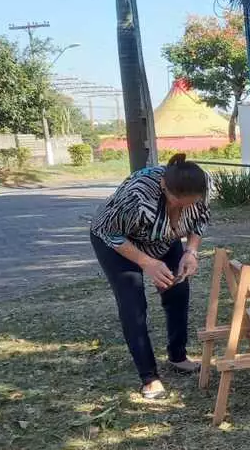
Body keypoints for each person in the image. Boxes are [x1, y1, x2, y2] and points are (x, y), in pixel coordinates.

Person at [90, 154, 209, 399]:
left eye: (190, 203)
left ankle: (178, 357)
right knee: (133, 302)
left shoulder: (201, 186)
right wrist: (147, 263)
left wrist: (191, 252)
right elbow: (109, 232)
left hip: (164, 239)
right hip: (118, 242)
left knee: (178, 290)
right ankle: (149, 377)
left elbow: (200, 221)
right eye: (179, 203)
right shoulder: (137, 196)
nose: (184, 208)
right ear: (165, 187)